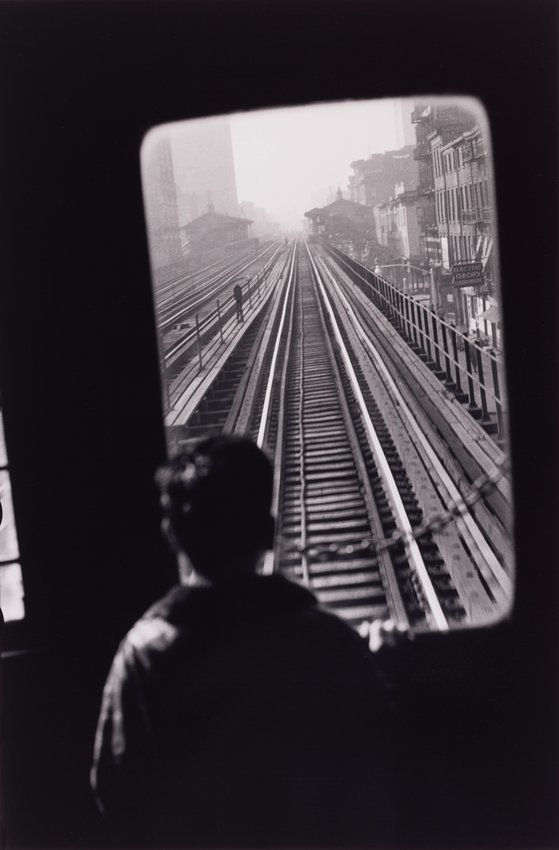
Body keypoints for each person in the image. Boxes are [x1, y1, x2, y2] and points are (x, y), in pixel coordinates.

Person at [91, 436, 401, 848]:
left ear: (172, 535)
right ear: (269, 533)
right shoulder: (325, 641)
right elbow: (379, 766)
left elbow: (115, 792)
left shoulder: (144, 655)